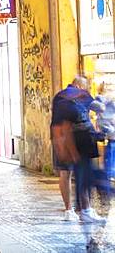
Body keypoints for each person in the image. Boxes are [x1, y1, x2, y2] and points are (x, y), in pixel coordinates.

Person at [52, 76, 103, 222]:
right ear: (81, 86)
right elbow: (98, 107)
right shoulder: (81, 95)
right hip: (77, 139)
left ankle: (69, 210)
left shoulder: (59, 96)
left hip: (59, 138)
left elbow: (57, 122)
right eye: (86, 87)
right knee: (83, 173)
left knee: (65, 174)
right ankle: (85, 209)